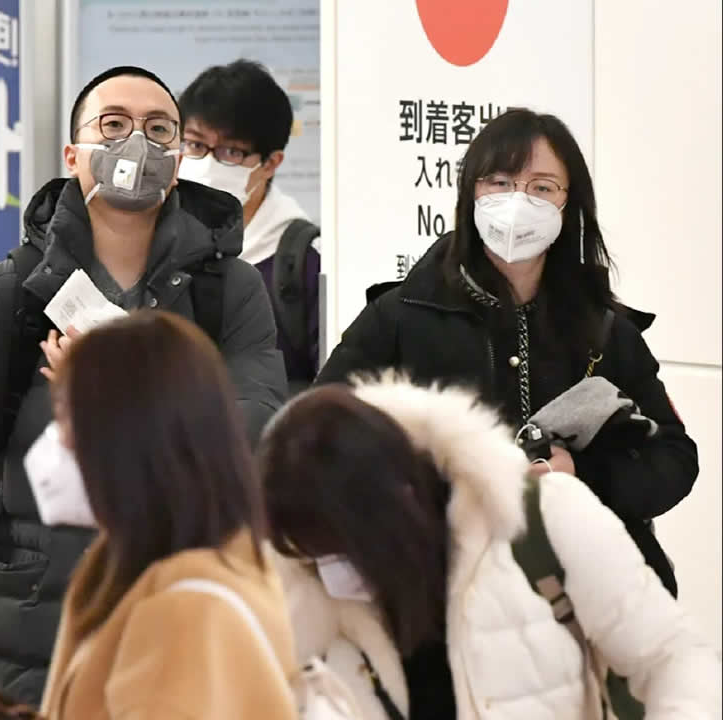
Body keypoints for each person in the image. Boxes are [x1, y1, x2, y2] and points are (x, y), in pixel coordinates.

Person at [0, 65, 287, 703]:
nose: (136, 143)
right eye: (112, 125)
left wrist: (114, 395)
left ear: (178, 160)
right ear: (72, 155)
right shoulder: (14, 288)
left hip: (178, 608)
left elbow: (251, 429)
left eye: (158, 130)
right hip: (21, 623)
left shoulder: (227, 290)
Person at [317, 108, 695, 594]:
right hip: (439, 585)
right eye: (499, 182)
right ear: (470, 193)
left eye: (542, 188)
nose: (518, 202)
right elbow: (317, 435)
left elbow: (674, 458)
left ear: (569, 203)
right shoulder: (400, 316)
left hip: (580, 587)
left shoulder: (605, 329)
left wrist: (580, 476)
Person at [260, 379, 720, 719]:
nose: (333, 574)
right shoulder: (308, 586)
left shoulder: (542, 518)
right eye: (315, 557)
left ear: (399, 503)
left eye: (344, 552)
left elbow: (672, 657)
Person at [38, 311, 298, 719]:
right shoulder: (195, 569)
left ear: (126, 437)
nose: (58, 440)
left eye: (69, 417)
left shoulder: (181, 615)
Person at [179, 59, 321, 392]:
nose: (208, 165)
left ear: (271, 163)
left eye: (231, 151)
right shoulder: (155, 242)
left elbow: (327, 389)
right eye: (196, 145)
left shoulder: (304, 260)